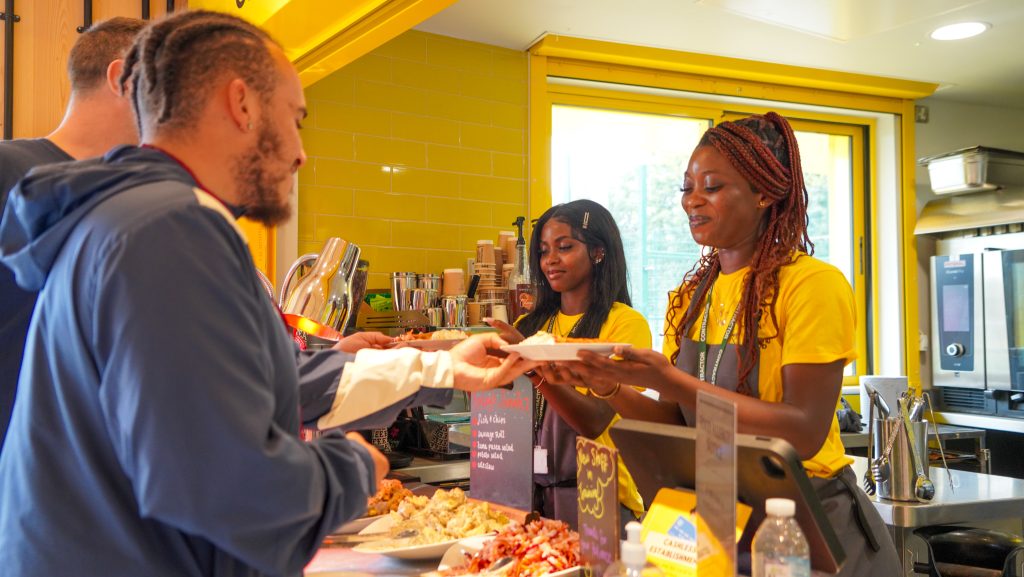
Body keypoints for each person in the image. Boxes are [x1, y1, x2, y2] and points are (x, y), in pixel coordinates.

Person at [0, 10, 533, 577]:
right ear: (243, 104)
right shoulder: (172, 230)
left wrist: (441, 369)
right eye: (296, 118)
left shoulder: (128, 217)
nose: (301, 152)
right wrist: (349, 467)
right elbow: (212, 478)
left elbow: (256, 383)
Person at [570, 112, 900, 576]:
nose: (692, 201)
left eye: (712, 186)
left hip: (812, 526)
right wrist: (607, 385)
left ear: (765, 193)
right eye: (686, 187)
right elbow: (681, 423)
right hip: (724, 516)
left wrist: (672, 380)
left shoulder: (810, 285)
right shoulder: (690, 298)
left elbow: (803, 431)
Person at [0, 16, 147, 451]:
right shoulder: (8, 170)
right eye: (166, 84)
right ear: (122, 78)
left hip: (96, 476)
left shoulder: (142, 199)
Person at [486, 199, 651, 529]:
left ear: (598, 252)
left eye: (565, 247)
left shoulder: (624, 325)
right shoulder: (530, 324)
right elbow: (504, 407)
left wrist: (531, 364)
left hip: (597, 495)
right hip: (528, 496)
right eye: (544, 251)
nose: (551, 261)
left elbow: (595, 420)